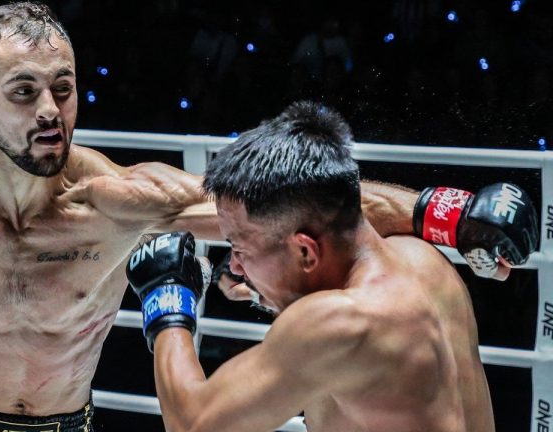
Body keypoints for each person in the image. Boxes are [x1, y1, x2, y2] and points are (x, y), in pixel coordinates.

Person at [0, 3, 529, 431]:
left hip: (64, 422)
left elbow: (297, 199)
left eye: (63, 88)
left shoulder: (121, 200)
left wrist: (443, 213)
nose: (50, 111)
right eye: (23, 92)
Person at [126, 101, 538, 431]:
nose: (233, 263)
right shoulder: (422, 259)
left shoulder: (338, 325)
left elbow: (192, 424)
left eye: (238, 247)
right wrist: (265, 279)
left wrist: (166, 296)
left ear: (306, 251)